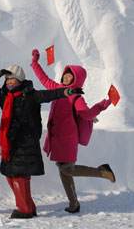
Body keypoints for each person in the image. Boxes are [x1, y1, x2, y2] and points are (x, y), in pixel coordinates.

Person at [0, 65, 82, 219]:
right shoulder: (4, 96)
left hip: (26, 141)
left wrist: (68, 91)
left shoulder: (31, 95)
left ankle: (25, 209)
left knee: (20, 176)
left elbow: (51, 94)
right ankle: (29, 206)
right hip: (10, 142)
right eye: (7, 80)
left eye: (12, 79)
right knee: (10, 175)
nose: (9, 83)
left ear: (20, 80)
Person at [30, 49, 115, 214]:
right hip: (57, 138)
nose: (66, 77)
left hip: (67, 139)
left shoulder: (76, 97)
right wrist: (35, 63)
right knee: (64, 170)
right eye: (65, 74)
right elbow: (43, 79)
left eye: (70, 76)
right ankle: (74, 203)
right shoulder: (57, 89)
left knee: (67, 169)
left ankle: (102, 172)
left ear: (77, 79)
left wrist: (103, 104)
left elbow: (86, 114)